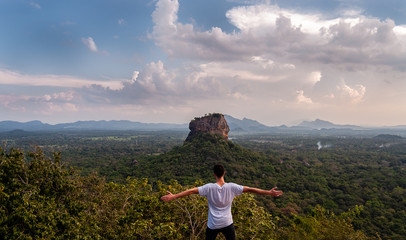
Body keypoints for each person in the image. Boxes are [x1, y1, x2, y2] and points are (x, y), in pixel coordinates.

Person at [160, 164, 283, 240]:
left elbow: (191, 191)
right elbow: (250, 189)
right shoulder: (232, 187)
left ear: (214, 174)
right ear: (224, 173)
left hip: (213, 224)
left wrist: (174, 196)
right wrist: (269, 192)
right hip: (227, 223)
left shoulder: (208, 188)